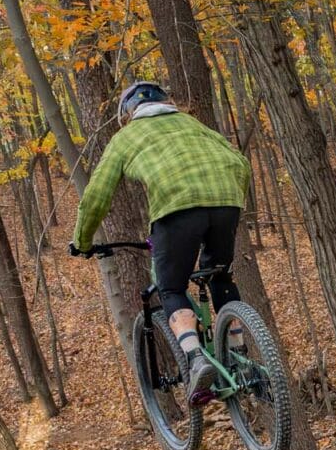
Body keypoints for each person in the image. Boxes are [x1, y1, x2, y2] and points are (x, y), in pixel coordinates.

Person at [70, 80, 250, 403]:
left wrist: (82, 240)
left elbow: (96, 196)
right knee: (219, 275)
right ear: (167, 102)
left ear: (128, 114)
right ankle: (241, 355)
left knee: (170, 288)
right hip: (227, 201)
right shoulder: (192, 123)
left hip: (175, 209)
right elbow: (239, 161)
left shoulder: (125, 137)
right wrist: (232, 200)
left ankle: (195, 360)